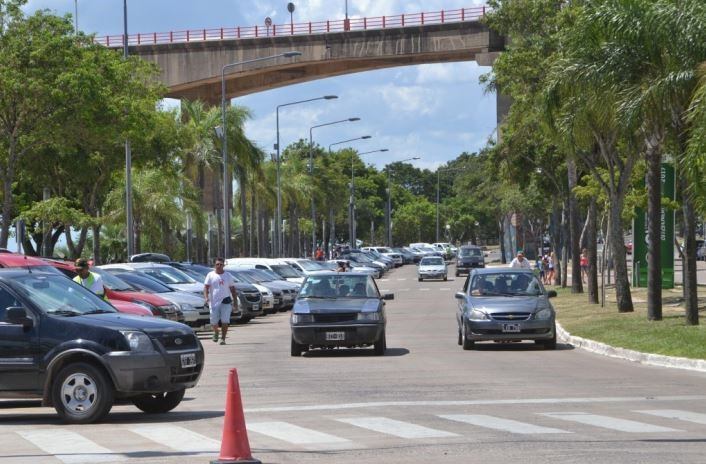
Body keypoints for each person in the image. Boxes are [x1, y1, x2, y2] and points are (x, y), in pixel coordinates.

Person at [203, 257, 238, 345]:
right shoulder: (210, 275)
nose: (219, 266)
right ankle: (216, 332)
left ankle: (223, 339)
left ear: (223, 265)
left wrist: (235, 303)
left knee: (225, 320)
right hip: (214, 302)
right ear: (214, 265)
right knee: (214, 321)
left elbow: (233, 289)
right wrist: (206, 297)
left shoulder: (228, 275)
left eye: (221, 264)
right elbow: (206, 287)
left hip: (226, 300)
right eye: (217, 264)